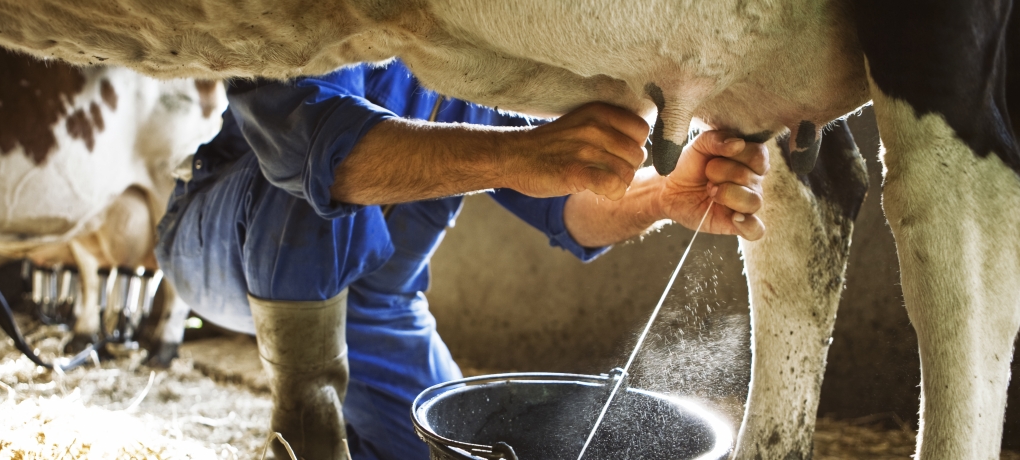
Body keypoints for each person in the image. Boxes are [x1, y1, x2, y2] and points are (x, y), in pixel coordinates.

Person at [155, 60, 768, 460]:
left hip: (378, 307)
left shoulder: (479, 56)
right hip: (224, 241)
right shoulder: (330, 24)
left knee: (446, 446)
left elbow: (570, 208)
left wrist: (662, 194)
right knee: (311, 177)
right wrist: (519, 155)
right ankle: (307, 428)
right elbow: (312, 147)